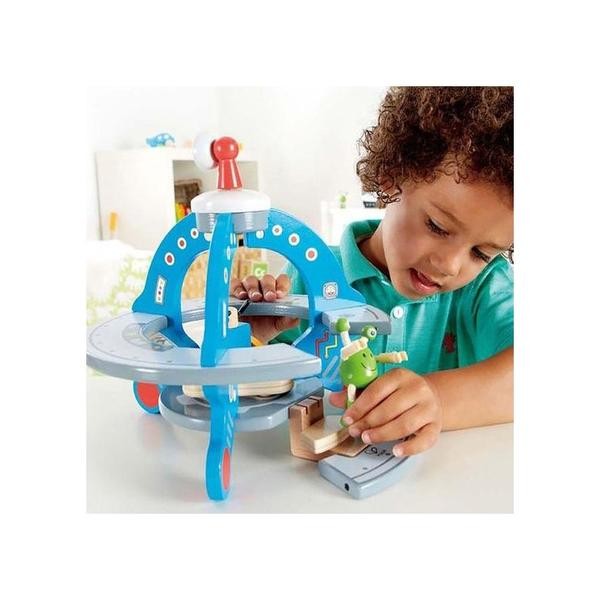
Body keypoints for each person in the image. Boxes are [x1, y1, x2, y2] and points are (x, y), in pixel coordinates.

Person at [230, 87, 513, 458]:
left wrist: (437, 399)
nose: (450, 265)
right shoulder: (310, 278)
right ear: (392, 178)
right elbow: (253, 402)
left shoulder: (486, 288)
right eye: (438, 227)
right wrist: (250, 340)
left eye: (481, 253)